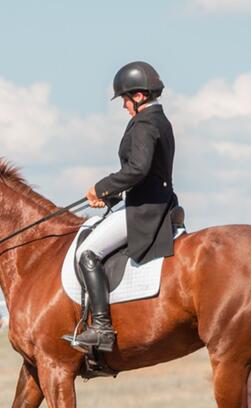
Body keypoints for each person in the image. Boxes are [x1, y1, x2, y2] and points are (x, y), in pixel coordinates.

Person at [63, 61, 179, 353]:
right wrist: (112, 197)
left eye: (126, 99)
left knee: (87, 252)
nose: (124, 105)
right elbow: (147, 173)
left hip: (145, 209)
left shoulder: (144, 123)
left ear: (139, 96)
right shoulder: (159, 120)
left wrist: (101, 187)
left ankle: (101, 327)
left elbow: (138, 170)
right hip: (154, 200)